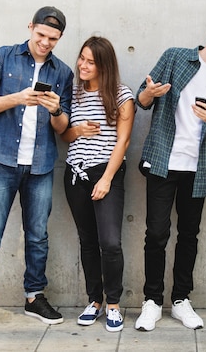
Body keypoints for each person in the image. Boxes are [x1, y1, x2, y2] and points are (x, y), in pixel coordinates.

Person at [134, 16, 206, 332]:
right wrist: (150, 93)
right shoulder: (175, 57)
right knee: (156, 234)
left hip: (196, 169)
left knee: (189, 235)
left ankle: (181, 300)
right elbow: (140, 101)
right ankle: (152, 302)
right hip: (162, 162)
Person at [0, 6, 73, 337]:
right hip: (0, 161)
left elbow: (63, 126)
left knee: (38, 235)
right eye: (40, 35)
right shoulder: (2, 57)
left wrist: (55, 110)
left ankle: (34, 297)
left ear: (59, 38)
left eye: (52, 39)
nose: (45, 43)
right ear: (30, 28)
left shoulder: (62, 72)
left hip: (39, 165)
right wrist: (17, 98)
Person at [61, 36, 135, 332]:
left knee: (110, 243)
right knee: (87, 241)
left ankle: (114, 304)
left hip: (106, 173)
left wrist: (106, 178)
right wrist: (76, 130)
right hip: (75, 174)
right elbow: (65, 135)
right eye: (82, 58)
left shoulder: (121, 94)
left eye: (91, 61)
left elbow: (124, 140)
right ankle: (94, 301)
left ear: (104, 65)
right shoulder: (74, 92)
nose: (83, 65)